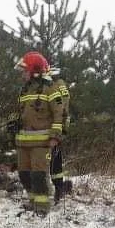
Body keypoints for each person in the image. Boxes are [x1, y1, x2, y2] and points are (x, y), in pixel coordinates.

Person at [13, 51, 66, 214]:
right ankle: (32, 200)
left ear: (35, 71)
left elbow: (59, 114)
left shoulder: (50, 89)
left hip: (42, 143)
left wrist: (55, 137)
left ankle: (42, 206)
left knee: (39, 175)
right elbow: (19, 112)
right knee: (24, 174)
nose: (22, 74)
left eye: (25, 71)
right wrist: (13, 122)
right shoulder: (24, 91)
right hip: (23, 142)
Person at [46, 67, 72, 202]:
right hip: (57, 128)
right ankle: (59, 187)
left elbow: (62, 109)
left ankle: (59, 188)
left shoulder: (58, 86)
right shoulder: (60, 86)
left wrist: (58, 132)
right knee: (55, 160)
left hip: (55, 128)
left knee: (54, 160)